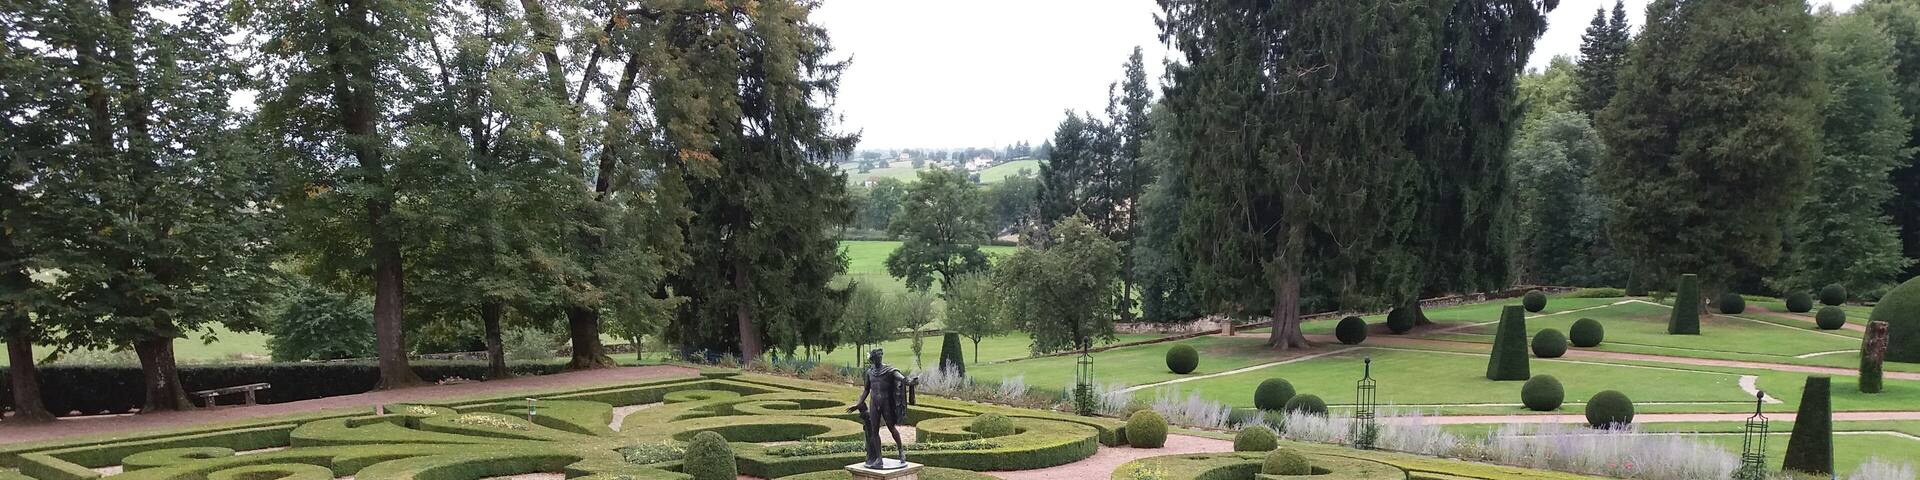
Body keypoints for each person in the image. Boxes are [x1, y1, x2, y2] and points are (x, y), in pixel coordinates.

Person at [847, 348, 916, 468]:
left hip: (886, 404)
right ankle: (879, 458)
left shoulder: (889, 370)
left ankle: (901, 452)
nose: (879, 359)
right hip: (874, 403)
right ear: (873, 359)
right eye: (876, 357)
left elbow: (901, 378)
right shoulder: (870, 372)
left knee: (891, 428)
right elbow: (866, 390)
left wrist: (909, 381)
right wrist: (858, 404)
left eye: (880, 356)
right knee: (874, 432)